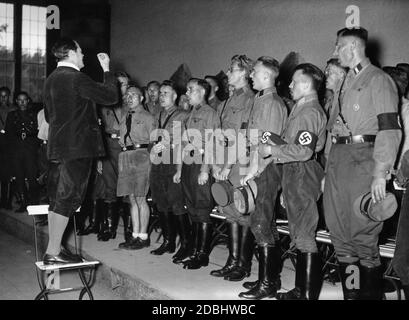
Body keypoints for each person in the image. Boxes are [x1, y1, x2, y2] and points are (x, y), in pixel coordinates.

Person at [323, 27, 401, 299]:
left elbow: (390, 129)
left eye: (338, 47)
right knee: (340, 237)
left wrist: (381, 173)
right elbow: (334, 130)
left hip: (364, 161)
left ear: (352, 47)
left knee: (363, 236)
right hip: (339, 162)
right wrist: (328, 170)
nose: (335, 53)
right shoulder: (344, 83)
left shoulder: (378, 80)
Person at [42, 38, 117, 265]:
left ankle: (55, 248)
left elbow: (48, 116)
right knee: (68, 198)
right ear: (72, 53)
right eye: (81, 51)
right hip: (77, 149)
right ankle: (53, 251)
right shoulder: (76, 78)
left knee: (58, 198)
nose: (83, 55)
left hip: (58, 148)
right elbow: (111, 96)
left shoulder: (51, 80)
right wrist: (107, 70)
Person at [210, 54, 256, 282]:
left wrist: (227, 165)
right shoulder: (228, 100)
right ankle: (232, 260)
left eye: (232, 69)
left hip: (238, 162)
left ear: (244, 73)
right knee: (228, 211)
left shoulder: (250, 99)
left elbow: (242, 136)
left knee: (242, 211)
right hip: (223, 160)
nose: (228, 73)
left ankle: (243, 265)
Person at [175, 78, 220, 269]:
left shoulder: (210, 114)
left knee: (202, 210)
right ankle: (194, 250)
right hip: (188, 163)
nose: (187, 93)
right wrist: (180, 169)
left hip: (200, 163)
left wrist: (204, 170)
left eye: (191, 89)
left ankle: (202, 255)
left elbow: (212, 143)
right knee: (192, 208)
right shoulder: (191, 113)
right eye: (187, 89)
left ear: (202, 92)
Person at [149, 80, 190, 259]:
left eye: (166, 93)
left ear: (175, 96)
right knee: (161, 202)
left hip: (174, 162)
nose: (162, 96)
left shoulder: (183, 115)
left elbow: (186, 140)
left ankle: (186, 244)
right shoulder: (157, 115)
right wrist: (154, 147)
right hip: (159, 163)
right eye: (161, 93)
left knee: (177, 203)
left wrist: (167, 144)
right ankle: (168, 241)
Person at [116, 85, 155, 250]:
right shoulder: (125, 116)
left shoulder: (147, 117)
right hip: (126, 156)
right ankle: (135, 235)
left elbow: (155, 141)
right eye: (128, 95)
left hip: (141, 156)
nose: (129, 98)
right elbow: (121, 140)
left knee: (140, 198)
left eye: (134, 95)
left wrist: (150, 161)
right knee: (131, 198)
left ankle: (143, 236)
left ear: (142, 98)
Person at [5, 91, 40, 213]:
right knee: (19, 177)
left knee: (32, 176)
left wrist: (34, 146)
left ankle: (34, 202)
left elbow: (38, 133)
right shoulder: (12, 115)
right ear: (16, 101)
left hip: (30, 148)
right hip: (16, 149)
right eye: (20, 100)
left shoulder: (34, 115)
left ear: (28, 101)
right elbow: (8, 134)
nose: (22, 102)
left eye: (24, 99)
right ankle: (24, 202)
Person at [0, 86, 13, 209]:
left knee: (8, 174)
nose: (3, 98)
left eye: (5, 95)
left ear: (9, 96)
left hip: (9, 145)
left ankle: (8, 201)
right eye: (1, 96)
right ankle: (3, 200)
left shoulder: (13, 109)